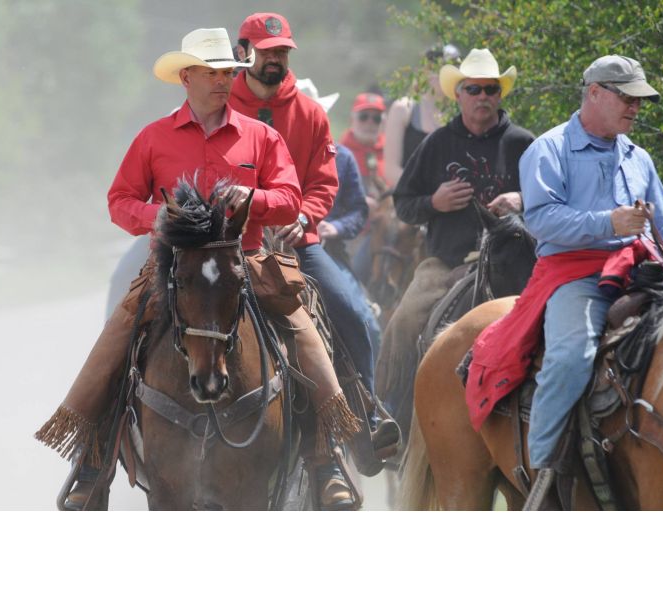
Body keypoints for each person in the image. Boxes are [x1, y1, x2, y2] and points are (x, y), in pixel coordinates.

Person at [35, 27, 361, 511]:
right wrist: (159, 217)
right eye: (211, 73)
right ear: (185, 77)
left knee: (304, 330)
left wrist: (254, 198)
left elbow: (291, 197)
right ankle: (93, 460)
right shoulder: (154, 138)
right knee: (120, 336)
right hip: (172, 266)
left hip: (246, 261)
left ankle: (325, 458)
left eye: (228, 72)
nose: (222, 81)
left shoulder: (262, 137)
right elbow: (119, 201)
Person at [475, 54, 663, 506]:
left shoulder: (638, 157)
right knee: (569, 356)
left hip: (644, 271)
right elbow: (543, 221)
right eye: (627, 97)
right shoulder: (549, 148)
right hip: (577, 274)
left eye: (639, 100)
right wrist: (609, 223)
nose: (635, 107)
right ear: (595, 93)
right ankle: (544, 471)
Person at [230, 12, 398, 452]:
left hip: (297, 245)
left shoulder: (309, 113)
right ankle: (108, 435)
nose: (276, 60)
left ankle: (366, 412)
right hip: (227, 246)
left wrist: (303, 217)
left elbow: (325, 182)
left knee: (356, 313)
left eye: (282, 52)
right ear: (243, 53)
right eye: (267, 52)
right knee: (148, 312)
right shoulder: (220, 106)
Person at [376, 48, 535, 429]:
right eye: (474, 89)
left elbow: (557, 199)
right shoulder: (436, 144)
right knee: (403, 323)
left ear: (500, 94)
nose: (483, 97)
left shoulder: (524, 144)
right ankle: (387, 420)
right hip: (446, 264)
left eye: (491, 89)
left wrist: (523, 199)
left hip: (516, 266)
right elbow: (403, 204)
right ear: (459, 94)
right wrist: (434, 201)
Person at [295, 77, 381, 357]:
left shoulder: (342, 157)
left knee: (367, 323)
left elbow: (358, 210)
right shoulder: (268, 148)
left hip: (327, 251)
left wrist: (335, 227)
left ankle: (368, 398)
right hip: (269, 251)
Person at [383, 44, 460, 187]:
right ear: (424, 70)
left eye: (447, 68)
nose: (438, 73)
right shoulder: (404, 109)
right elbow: (391, 170)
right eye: (434, 66)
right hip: (409, 201)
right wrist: (429, 197)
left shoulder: (462, 113)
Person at [339, 92, 388, 199]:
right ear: (352, 120)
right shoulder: (338, 153)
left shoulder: (391, 151)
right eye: (363, 117)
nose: (369, 122)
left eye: (376, 118)